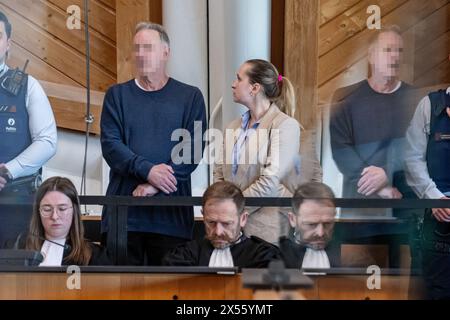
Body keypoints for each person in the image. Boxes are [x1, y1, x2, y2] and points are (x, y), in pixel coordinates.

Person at [100, 22, 206, 265]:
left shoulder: (191, 97)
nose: (140, 54)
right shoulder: (116, 95)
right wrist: (147, 170)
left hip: (171, 218)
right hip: (124, 217)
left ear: (165, 53)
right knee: (120, 292)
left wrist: (155, 185)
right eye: (136, 48)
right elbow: (111, 145)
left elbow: (193, 149)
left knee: (170, 291)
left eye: (147, 47)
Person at [329, 26, 421, 268]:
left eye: (399, 50)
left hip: (404, 215)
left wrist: (386, 172)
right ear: (371, 55)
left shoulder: (416, 99)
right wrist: (380, 187)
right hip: (358, 214)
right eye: (388, 50)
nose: (395, 56)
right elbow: (341, 150)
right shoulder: (345, 98)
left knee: (397, 287)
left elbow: (417, 148)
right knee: (353, 285)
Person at [214, 59, 301, 244]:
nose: (233, 84)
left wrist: (232, 209)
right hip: (231, 232)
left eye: (238, 79)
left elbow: (270, 181)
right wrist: (225, 213)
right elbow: (219, 174)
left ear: (254, 88)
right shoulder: (232, 126)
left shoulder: (286, 126)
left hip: (267, 232)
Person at [0, 11, 57, 245]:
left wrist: (6, 171)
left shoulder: (28, 86)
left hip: (15, 206)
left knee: (15, 277)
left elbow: (47, 141)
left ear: (7, 44)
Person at [404, 71, 450, 299]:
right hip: (437, 221)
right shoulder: (429, 105)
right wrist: (434, 197)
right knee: (437, 292)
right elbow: (412, 159)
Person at [162, 181, 281, 268]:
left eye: (226, 223)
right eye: (211, 222)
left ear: (243, 219)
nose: (218, 232)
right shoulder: (183, 255)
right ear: (203, 216)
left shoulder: (263, 256)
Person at [8, 177, 111, 266]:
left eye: (62, 209)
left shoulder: (95, 256)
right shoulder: (16, 248)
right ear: (38, 212)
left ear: (74, 211)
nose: (54, 216)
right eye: (47, 209)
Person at [279, 182, 340, 269]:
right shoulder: (277, 254)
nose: (320, 233)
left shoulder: (347, 251)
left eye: (327, 223)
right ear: (292, 219)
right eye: (311, 224)